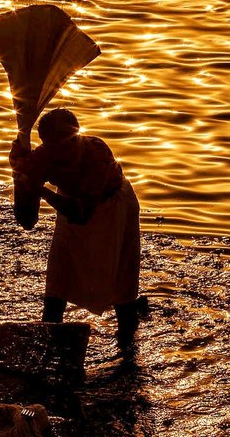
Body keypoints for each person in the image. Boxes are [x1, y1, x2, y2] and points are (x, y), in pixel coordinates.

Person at [9, 108, 141, 348]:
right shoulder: (45, 156)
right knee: (57, 283)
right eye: (54, 146)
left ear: (77, 136)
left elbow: (81, 214)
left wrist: (39, 189)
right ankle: (49, 348)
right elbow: (27, 221)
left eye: (68, 143)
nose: (62, 152)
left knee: (121, 283)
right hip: (69, 205)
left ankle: (127, 347)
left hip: (112, 207)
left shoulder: (97, 153)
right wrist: (19, 175)